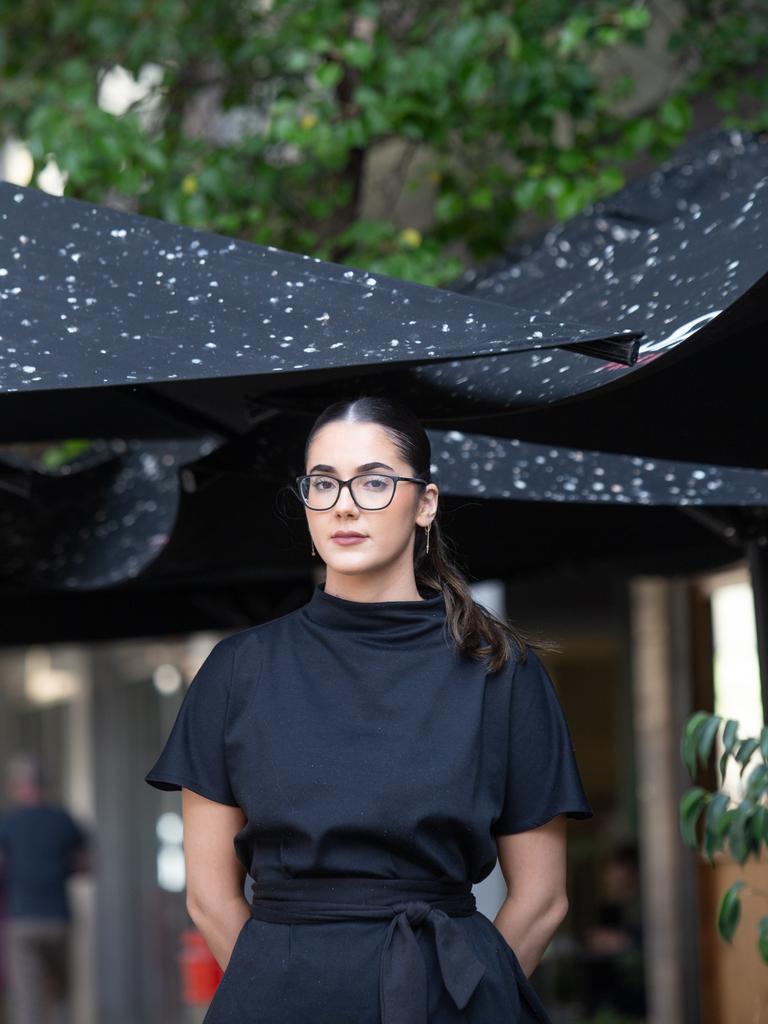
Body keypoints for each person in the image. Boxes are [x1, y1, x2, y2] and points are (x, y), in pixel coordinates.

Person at [145, 394, 594, 1024]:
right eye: (323, 483)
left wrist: (465, 1001)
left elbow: (543, 898)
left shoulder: (501, 670)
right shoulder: (239, 669)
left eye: (375, 481)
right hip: (279, 1003)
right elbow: (209, 897)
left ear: (426, 503)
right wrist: (280, 991)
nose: (345, 505)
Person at [0, 753, 90, 1024]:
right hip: (59, 920)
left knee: (29, 1001)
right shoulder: (64, 821)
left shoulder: (8, 823)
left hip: (23, 921)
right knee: (60, 993)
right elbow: (86, 866)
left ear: (17, 785)